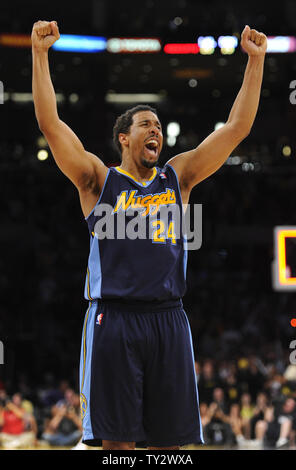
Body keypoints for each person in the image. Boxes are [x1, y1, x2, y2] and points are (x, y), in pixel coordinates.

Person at [31, 20, 267, 450]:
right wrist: (40, 54)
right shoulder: (98, 180)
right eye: (145, 124)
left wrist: (255, 61)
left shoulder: (179, 178)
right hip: (114, 320)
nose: (155, 129)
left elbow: (236, 130)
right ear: (124, 137)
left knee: (170, 447)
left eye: (158, 124)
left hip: (169, 318)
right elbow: (51, 125)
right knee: (118, 447)